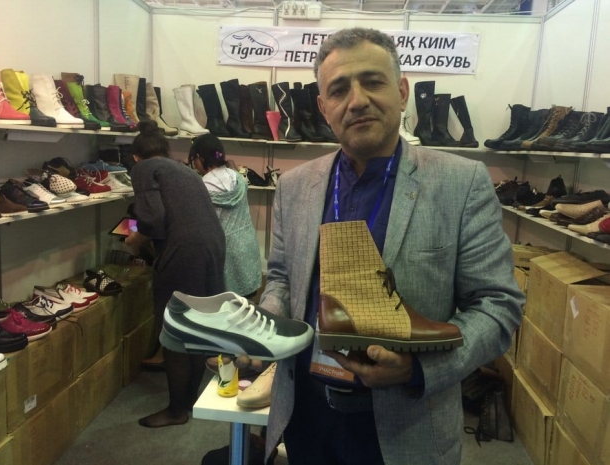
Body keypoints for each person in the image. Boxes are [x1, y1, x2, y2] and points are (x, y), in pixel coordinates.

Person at [237, 27, 525, 464]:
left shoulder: (461, 183)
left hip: (407, 427)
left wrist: (418, 368)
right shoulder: (295, 186)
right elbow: (281, 277)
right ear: (324, 107)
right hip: (307, 418)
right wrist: (266, 324)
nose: (357, 101)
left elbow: (498, 306)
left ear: (402, 91)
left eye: (372, 82)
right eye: (339, 90)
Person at [126, 120, 226, 428]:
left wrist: (135, 240)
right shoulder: (183, 170)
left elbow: (154, 219)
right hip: (212, 246)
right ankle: (188, 400)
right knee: (194, 326)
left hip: (185, 251)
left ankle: (176, 410)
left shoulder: (144, 168)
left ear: (136, 157)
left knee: (173, 329)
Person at [188, 133, 262, 299]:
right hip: (247, 245)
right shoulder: (238, 177)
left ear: (200, 157)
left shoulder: (203, 186)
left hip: (222, 252)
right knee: (247, 301)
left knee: (224, 303)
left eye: (194, 159)